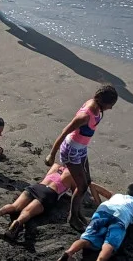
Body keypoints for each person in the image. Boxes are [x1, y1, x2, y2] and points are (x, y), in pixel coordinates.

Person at [45, 85, 118, 230]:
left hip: (81, 148)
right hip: (71, 150)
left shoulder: (97, 107)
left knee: (87, 180)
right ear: (104, 101)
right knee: (82, 186)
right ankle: (73, 217)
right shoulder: (85, 116)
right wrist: (52, 154)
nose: (111, 108)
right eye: (111, 105)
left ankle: (77, 213)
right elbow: (64, 132)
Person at [0, 162, 113, 240]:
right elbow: (76, 192)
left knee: (15, 206)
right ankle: (17, 222)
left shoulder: (57, 166)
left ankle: (0, 211)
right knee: (27, 212)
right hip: (49, 193)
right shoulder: (72, 175)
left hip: (37, 186)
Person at [57, 183, 133, 261]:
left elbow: (92, 185)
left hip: (103, 211)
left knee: (87, 238)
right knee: (110, 244)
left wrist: (99, 204)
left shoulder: (116, 196)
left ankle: (69, 252)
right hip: (119, 218)